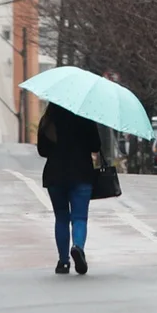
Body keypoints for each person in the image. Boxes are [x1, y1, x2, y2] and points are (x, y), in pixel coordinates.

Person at [37, 103, 102, 276]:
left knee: (61, 217)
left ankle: (63, 261)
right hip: (81, 173)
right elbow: (96, 145)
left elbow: (42, 151)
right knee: (79, 217)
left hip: (55, 175)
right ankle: (78, 247)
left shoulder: (48, 120)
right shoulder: (85, 117)